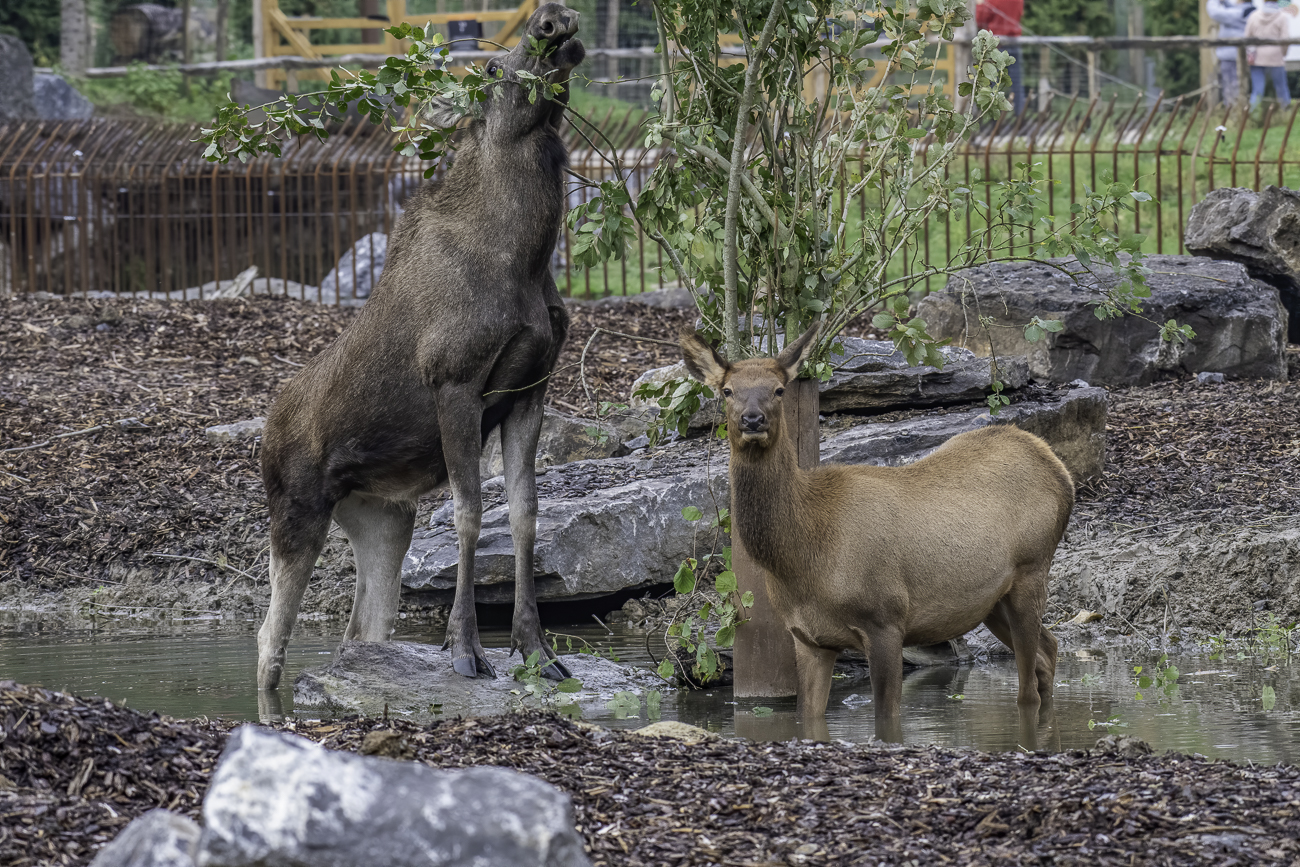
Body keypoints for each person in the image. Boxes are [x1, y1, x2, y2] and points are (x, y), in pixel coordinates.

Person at [974, 0, 1026, 116]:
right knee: (1016, 83)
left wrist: (979, 5)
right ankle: (1020, 116)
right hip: (1014, 41)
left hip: (995, 44)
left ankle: (991, 118)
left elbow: (980, 19)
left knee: (990, 84)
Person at [1244, 0, 1297, 108]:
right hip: (1275, 57)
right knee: (1281, 88)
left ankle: (1254, 113)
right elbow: (1285, 39)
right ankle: (1286, 113)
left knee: (1257, 89)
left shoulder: (1254, 16)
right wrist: (1284, 53)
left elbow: (1246, 37)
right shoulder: (1282, 17)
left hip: (1257, 57)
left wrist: (1249, 54)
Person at [1208, 0, 1255, 104]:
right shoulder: (1248, 10)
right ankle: (1238, 113)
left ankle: (1233, 116)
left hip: (1231, 57)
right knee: (1240, 87)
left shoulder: (1240, 13)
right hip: (1240, 56)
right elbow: (1232, 8)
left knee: (1231, 90)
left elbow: (1214, 12)